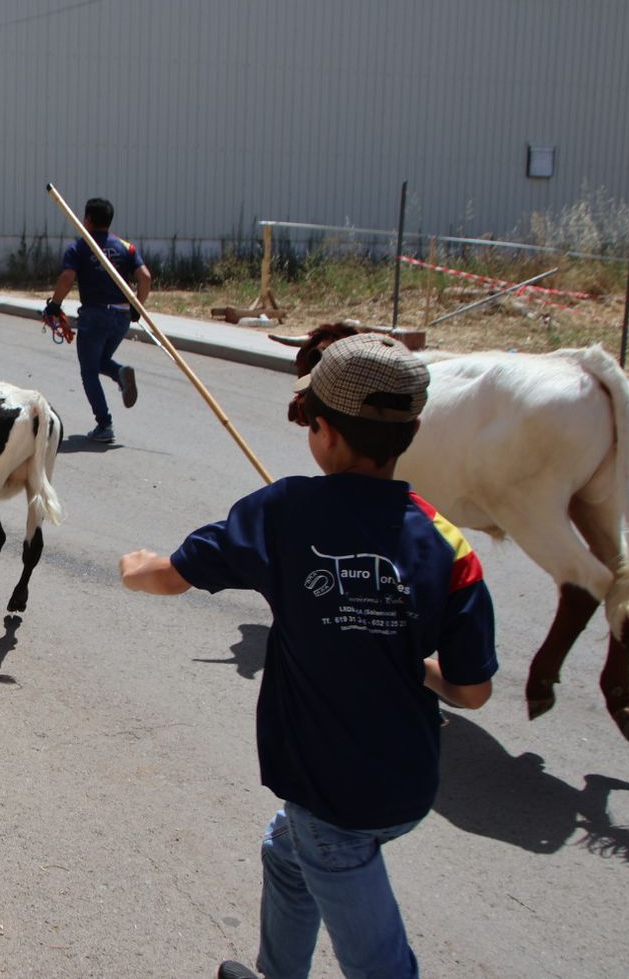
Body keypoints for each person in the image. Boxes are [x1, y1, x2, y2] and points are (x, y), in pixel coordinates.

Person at [118, 334, 497, 979]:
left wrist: (132, 566)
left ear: (324, 432)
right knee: (285, 853)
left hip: (333, 798)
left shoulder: (286, 510)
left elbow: (169, 575)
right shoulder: (447, 542)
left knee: (379, 964)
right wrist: (414, 666)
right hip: (407, 785)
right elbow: (472, 690)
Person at [45, 197, 149, 443]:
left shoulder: (80, 247)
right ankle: (119, 372)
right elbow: (145, 276)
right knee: (100, 360)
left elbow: (67, 278)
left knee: (89, 370)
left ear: (88, 220)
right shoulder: (127, 247)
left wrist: (54, 305)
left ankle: (104, 424)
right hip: (121, 317)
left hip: (95, 316)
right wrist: (137, 306)